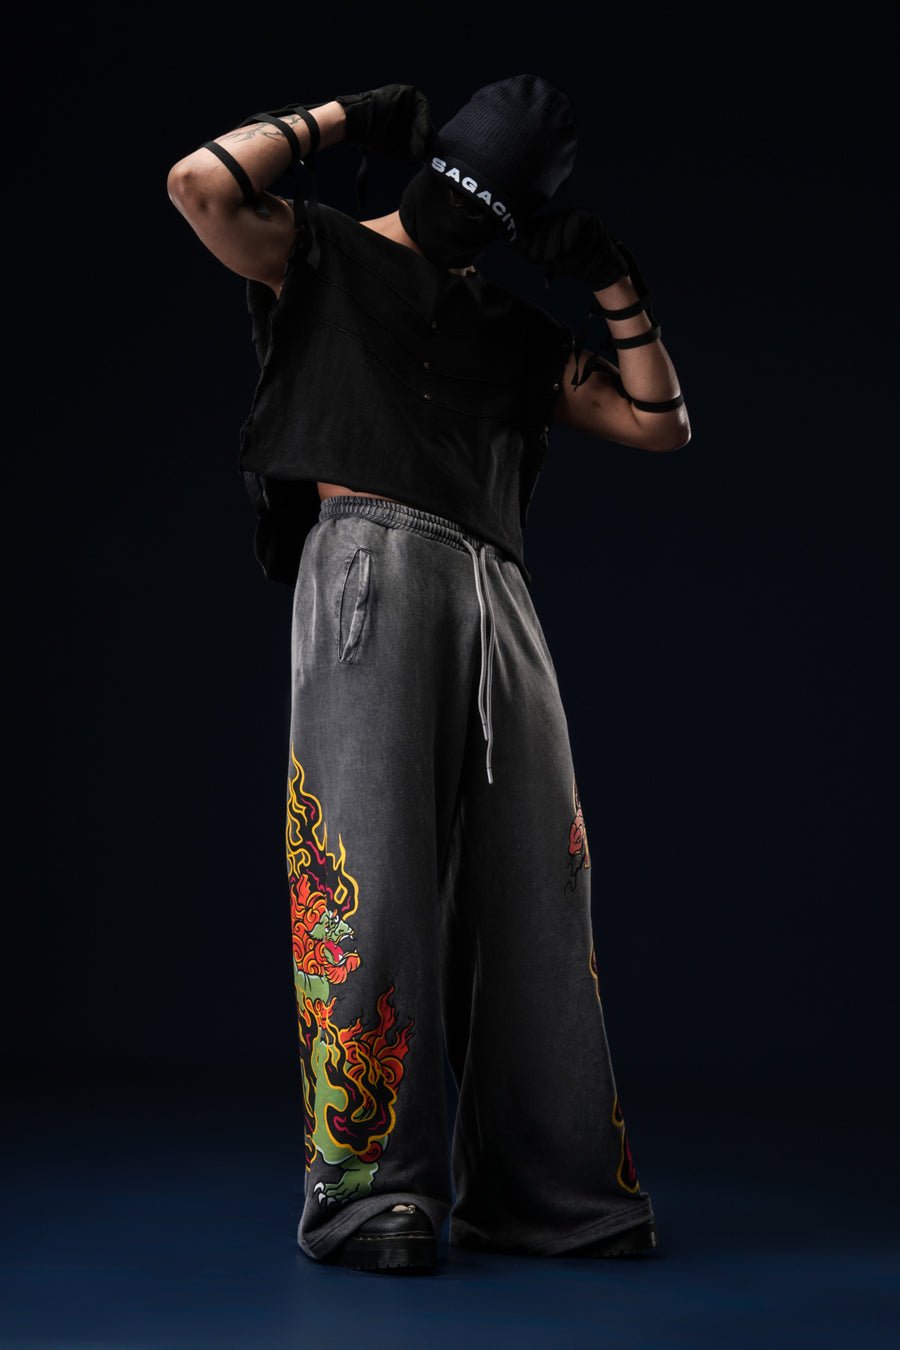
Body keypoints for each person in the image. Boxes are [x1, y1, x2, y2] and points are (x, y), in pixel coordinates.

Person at [166, 74, 689, 1275]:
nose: (473, 211)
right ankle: (369, 1194)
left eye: (500, 204)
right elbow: (199, 184)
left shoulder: (513, 329)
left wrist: (616, 283)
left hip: (497, 589)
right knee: (368, 874)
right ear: (435, 161)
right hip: (370, 562)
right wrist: (345, 116)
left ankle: (552, 1193)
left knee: (539, 888)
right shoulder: (321, 251)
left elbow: (659, 423)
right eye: (466, 181)